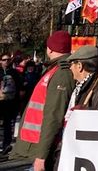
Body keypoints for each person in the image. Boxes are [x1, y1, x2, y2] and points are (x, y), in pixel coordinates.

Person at [10, 31, 75, 171]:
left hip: (37, 149)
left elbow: (53, 116)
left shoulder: (62, 73)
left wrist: (41, 156)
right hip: (33, 145)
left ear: (49, 49)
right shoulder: (55, 69)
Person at [0, 51, 23, 154]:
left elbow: (20, 87)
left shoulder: (14, 72)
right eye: (4, 60)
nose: (6, 62)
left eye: (8, 60)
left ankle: (6, 145)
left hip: (10, 102)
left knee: (8, 124)